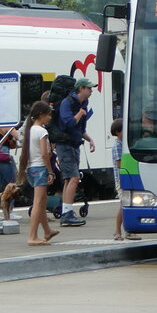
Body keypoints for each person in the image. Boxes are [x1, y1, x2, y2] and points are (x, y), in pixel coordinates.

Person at [55, 77, 96, 227]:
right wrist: (80, 113)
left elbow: (80, 129)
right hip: (64, 144)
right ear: (81, 89)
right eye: (89, 88)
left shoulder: (84, 103)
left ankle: (66, 211)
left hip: (75, 144)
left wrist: (89, 139)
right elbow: (68, 123)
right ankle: (67, 213)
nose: (91, 90)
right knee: (73, 178)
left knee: (68, 179)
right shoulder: (68, 103)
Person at [17, 101, 59, 246]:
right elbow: (44, 154)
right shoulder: (42, 131)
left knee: (42, 202)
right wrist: (50, 171)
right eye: (48, 115)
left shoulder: (30, 130)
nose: (50, 118)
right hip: (40, 168)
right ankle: (32, 236)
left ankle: (47, 231)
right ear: (41, 115)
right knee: (38, 203)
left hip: (30, 168)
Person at [110, 118, 139, 242]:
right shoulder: (117, 145)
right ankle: (117, 231)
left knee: (129, 204)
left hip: (127, 178)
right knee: (123, 205)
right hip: (121, 179)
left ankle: (129, 231)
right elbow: (119, 164)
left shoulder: (126, 144)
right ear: (118, 132)